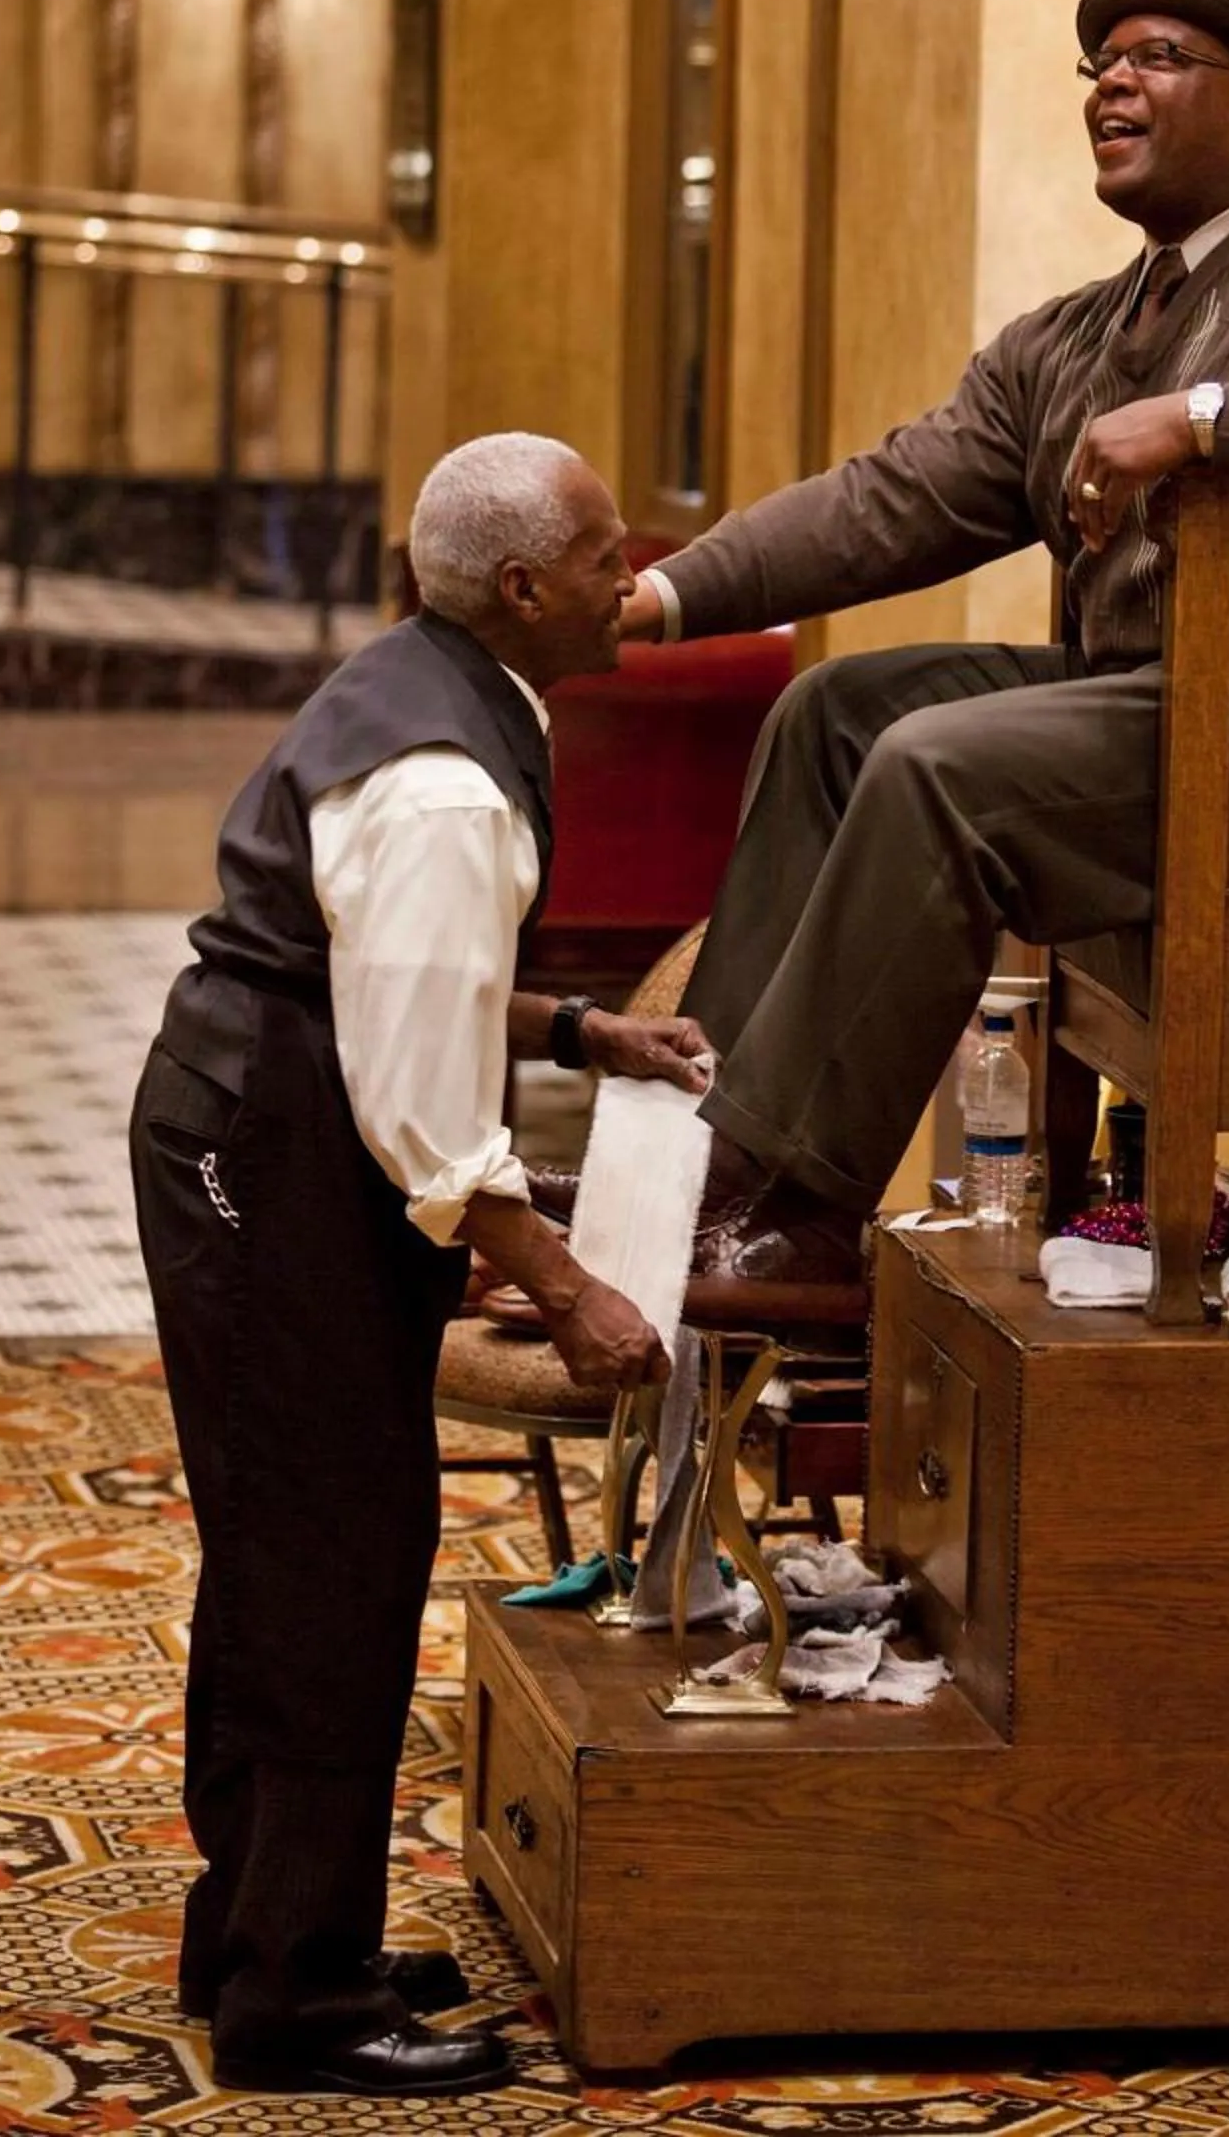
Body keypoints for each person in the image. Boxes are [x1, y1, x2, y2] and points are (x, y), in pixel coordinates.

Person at [617, 0, 1229, 1280]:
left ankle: (810, 1214)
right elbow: (889, 499)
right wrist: (662, 595)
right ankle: (689, 1167)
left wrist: (1203, 421)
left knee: (943, 766)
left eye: (1155, 59)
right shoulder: (1071, 338)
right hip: (1136, 712)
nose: (1109, 87)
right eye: (1099, 63)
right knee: (833, 709)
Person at [131, 431, 706, 2098]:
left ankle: (255, 1923)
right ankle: (294, 2002)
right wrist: (568, 1280)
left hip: (265, 1116)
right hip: (273, 1153)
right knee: (327, 1561)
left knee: (286, 1540)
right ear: (525, 589)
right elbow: (421, 1110)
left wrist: (583, 1027)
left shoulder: (429, 686)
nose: (632, 567)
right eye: (605, 551)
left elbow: (385, 969)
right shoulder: (451, 782)